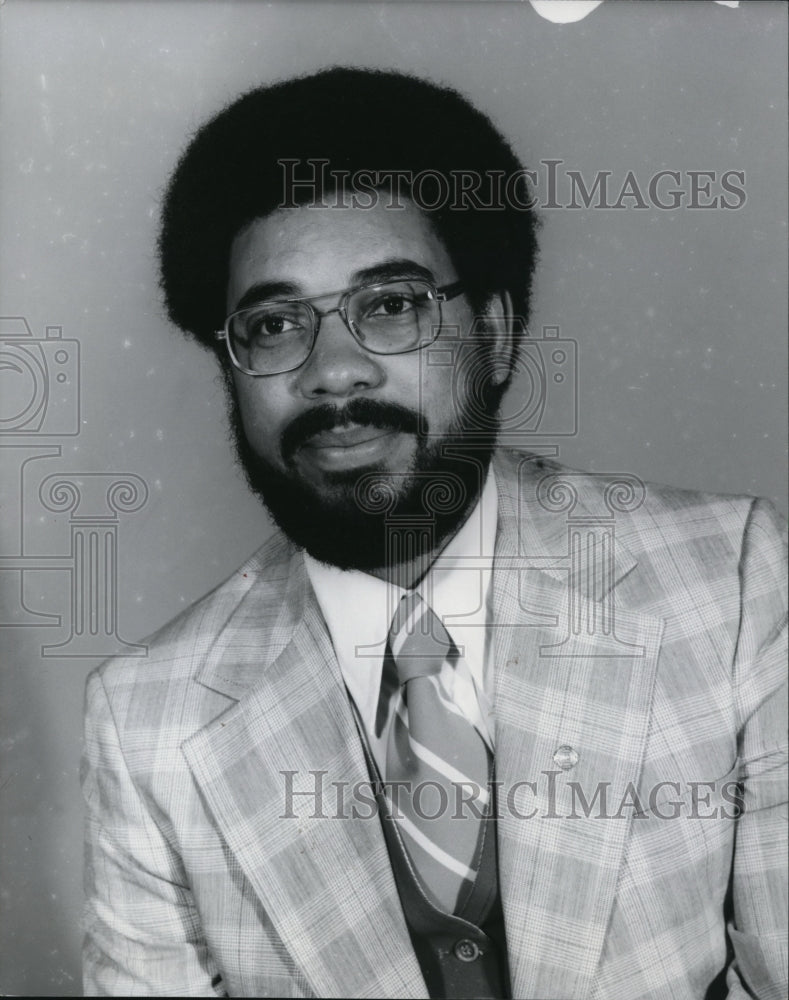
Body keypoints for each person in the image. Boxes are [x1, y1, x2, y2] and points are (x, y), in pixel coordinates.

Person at [81, 67, 787, 999]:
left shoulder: (730, 582)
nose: (333, 373)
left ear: (493, 334)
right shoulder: (149, 723)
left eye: (389, 305)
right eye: (273, 323)